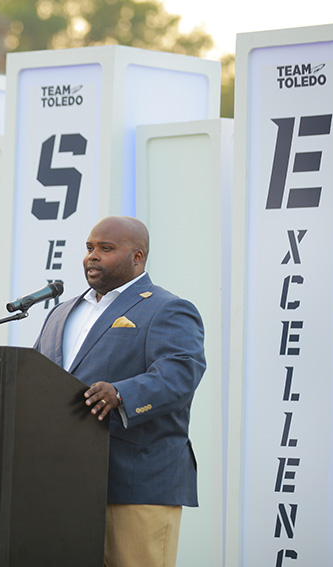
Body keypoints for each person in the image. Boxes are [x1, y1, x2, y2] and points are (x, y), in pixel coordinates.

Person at [34, 216, 206, 567]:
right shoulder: (61, 313)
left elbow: (179, 373)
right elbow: (37, 377)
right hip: (64, 483)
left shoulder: (166, 308)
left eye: (106, 249)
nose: (92, 256)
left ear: (138, 257)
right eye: (89, 248)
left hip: (136, 482)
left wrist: (122, 394)